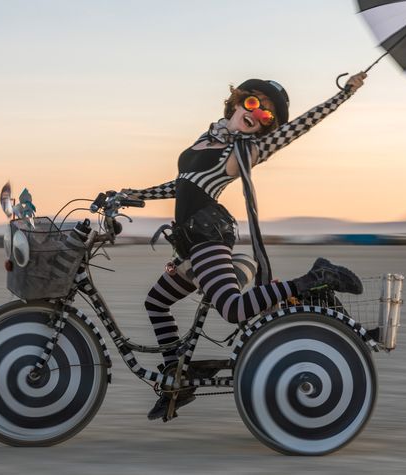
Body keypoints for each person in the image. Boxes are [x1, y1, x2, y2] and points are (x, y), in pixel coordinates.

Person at [120, 73, 367, 420]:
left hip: (209, 236)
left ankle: (317, 277)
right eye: (253, 103)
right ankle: (178, 379)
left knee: (234, 309)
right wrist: (134, 195)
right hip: (190, 243)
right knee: (156, 302)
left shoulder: (246, 149)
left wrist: (343, 95)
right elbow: (182, 184)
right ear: (236, 102)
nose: (257, 113)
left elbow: (299, 127)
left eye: (267, 115)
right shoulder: (208, 139)